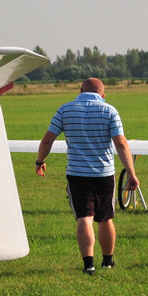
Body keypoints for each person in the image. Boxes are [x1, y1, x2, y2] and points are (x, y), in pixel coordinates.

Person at [35, 78, 139, 275]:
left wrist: (40, 161)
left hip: (77, 174)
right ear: (103, 94)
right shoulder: (110, 111)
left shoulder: (64, 110)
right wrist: (131, 174)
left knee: (85, 218)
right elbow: (121, 143)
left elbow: (48, 139)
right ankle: (108, 261)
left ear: (80, 90)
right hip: (104, 173)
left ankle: (88, 264)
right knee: (106, 218)